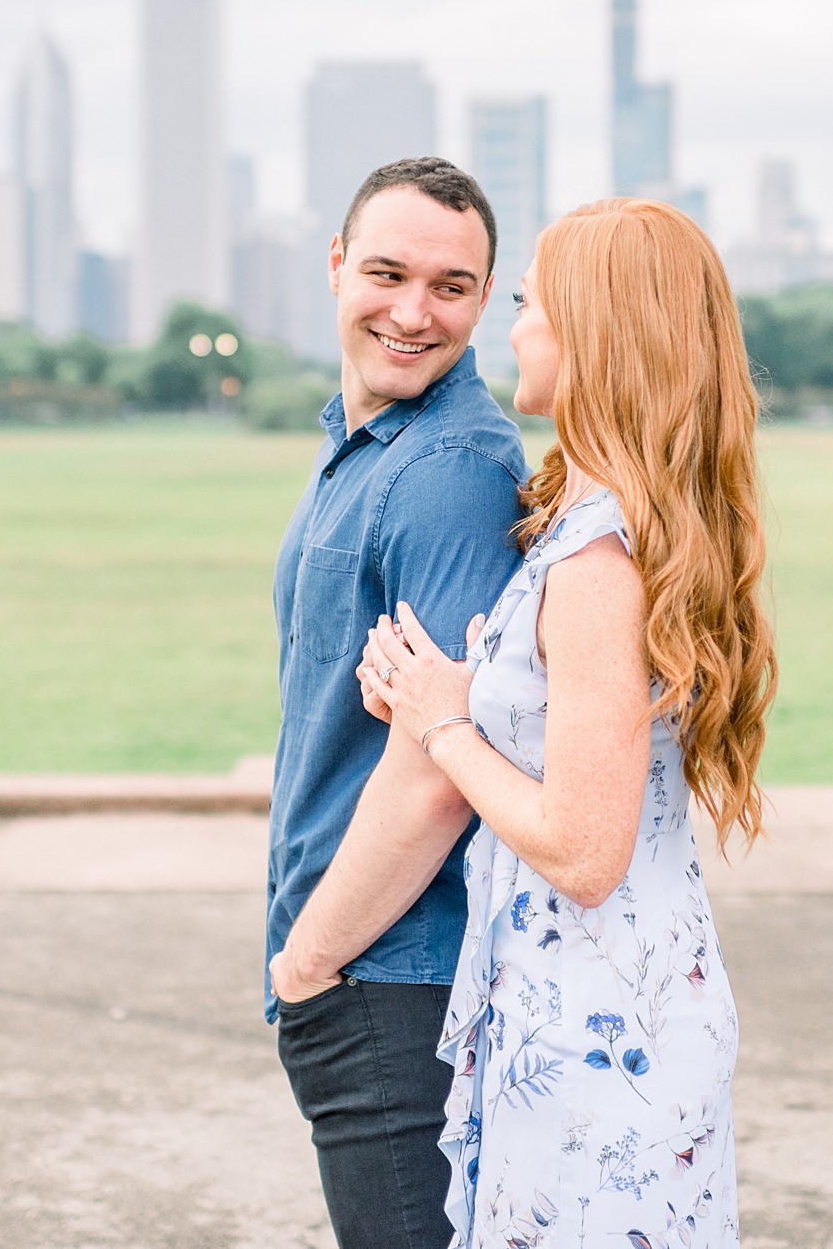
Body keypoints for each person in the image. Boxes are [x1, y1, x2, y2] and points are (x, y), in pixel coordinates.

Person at [357, 196, 775, 1249]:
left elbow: (586, 852)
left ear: (594, 333)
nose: (515, 327)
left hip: (602, 1046)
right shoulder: (596, 523)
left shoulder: (598, 561)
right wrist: (432, 694)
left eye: (531, 303)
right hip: (595, 1016)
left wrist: (446, 728)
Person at [267, 156, 531, 1249]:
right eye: (387, 273)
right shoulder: (367, 445)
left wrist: (311, 960)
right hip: (361, 968)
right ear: (336, 266)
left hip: (393, 974)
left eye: (453, 288)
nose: (415, 313)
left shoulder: (451, 472)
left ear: (483, 299)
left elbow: (438, 763)